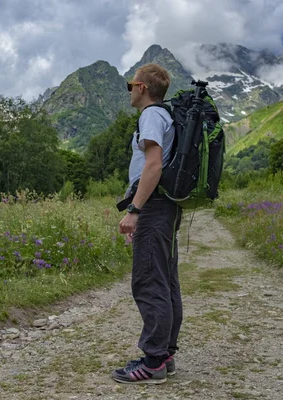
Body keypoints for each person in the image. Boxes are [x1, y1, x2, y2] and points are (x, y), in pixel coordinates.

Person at [112, 63, 183, 385]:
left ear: (141, 87)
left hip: (153, 206)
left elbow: (152, 166)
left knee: (149, 281)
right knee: (166, 281)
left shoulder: (151, 115)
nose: (129, 91)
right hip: (165, 207)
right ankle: (164, 354)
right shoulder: (165, 116)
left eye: (131, 85)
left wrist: (135, 210)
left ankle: (153, 361)